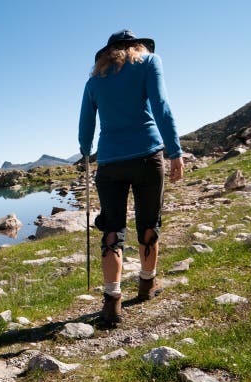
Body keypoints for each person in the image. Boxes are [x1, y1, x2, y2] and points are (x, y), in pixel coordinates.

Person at [78, 29, 184, 325]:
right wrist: (175, 152)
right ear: (137, 46)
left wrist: (86, 152)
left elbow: (86, 125)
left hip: (110, 162)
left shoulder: (94, 81)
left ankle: (112, 300)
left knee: (112, 227)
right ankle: (147, 283)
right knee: (149, 221)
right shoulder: (150, 62)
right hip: (147, 156)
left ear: (107, 52)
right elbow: (161, 107)